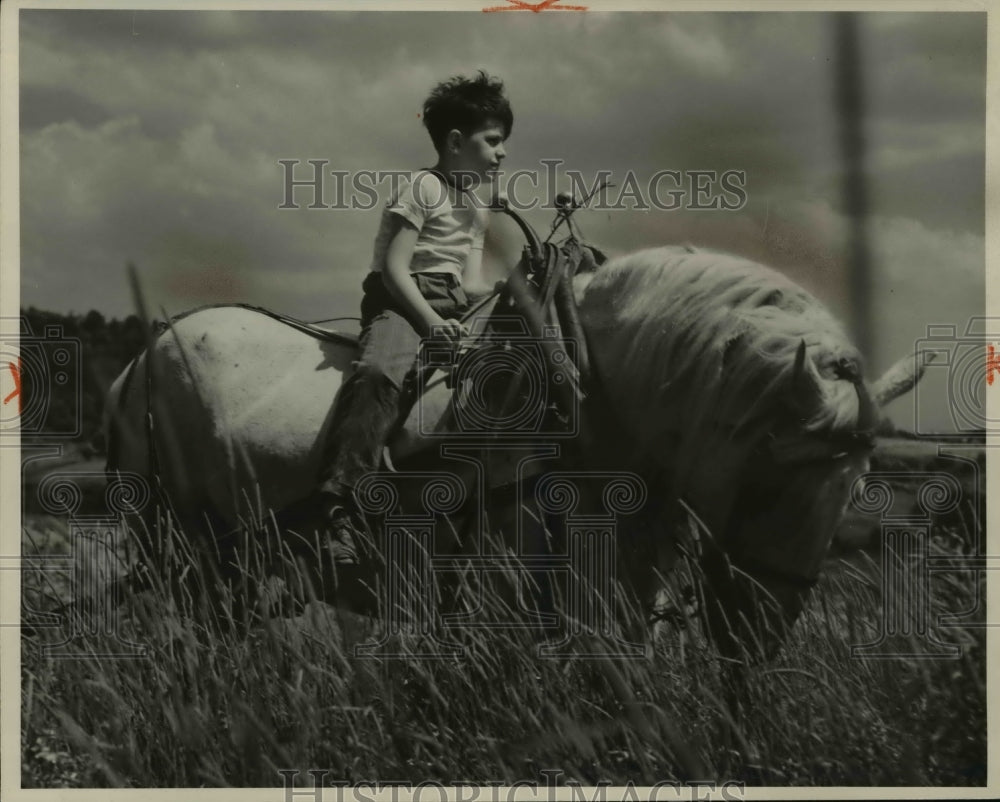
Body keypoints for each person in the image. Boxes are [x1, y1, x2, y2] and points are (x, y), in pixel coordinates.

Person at [282, 71, 512, 600]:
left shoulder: (478, 205)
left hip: (453, 305)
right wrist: (431, 325)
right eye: (493, 142)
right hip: (404, 303)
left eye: (503, 144)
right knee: (379, 372)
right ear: (456, 142)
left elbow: (470, 280)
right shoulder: (422, 187)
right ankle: (339, 508)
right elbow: (394, 268)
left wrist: (499, 298)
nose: (501, 155)